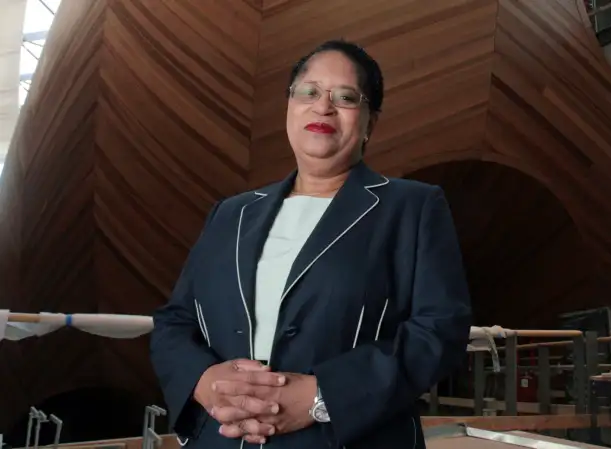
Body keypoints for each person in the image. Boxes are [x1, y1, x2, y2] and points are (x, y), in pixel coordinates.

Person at [149, 39, 472, 449]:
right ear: (289, 105)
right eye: (309, 91)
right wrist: (204, 381)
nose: (323, 107)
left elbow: (440, 331)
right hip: (223, 439)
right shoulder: (231, 213)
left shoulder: (413, 207)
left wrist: (323, 396)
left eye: (346, 97)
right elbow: (175, 322)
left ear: (370, 121)